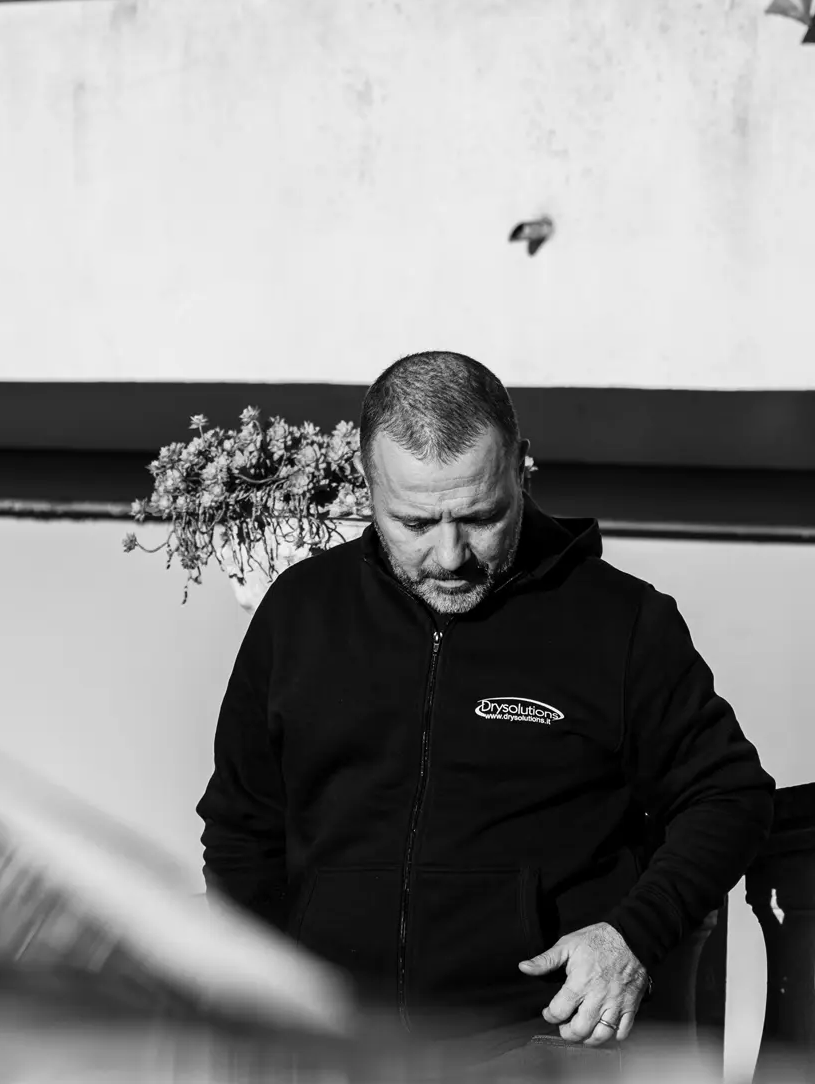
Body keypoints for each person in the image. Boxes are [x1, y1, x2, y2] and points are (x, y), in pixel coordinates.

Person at [196, 351, 773, 1053]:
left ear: (520, 468)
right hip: (330, 1049)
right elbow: (242, 824)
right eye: (415, 523)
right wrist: (254, 980)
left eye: (480, 517)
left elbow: (729, 796)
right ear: (367, 483)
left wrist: (632, 936)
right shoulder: (299, 612)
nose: (450, 556)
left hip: (539, 1046)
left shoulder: (620, 622)